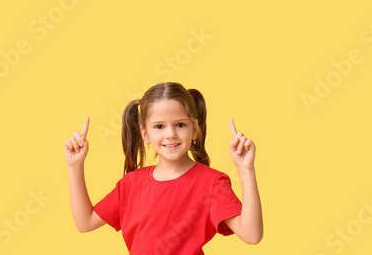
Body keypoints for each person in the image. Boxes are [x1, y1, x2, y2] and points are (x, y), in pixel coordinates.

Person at [64, 82, 263, 254]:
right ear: (145, 134)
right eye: (159, 126)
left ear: (194, 129)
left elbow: (252, 235)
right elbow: (85, 222)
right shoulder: (130, 184)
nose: (170, 134)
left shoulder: (212, 183)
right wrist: (75, 166)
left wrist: (246, 171)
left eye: (180, 125)